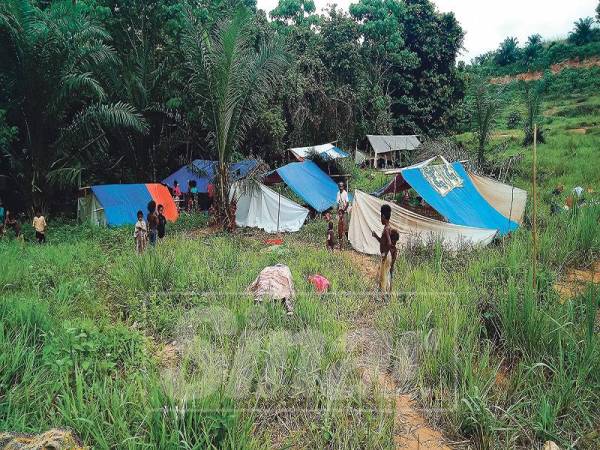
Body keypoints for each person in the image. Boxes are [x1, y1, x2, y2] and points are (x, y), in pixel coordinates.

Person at [372, 204, 393, 294]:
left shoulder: (386, 229)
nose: (380, 219)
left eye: (381, 217)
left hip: (386, 255)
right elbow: (383, 242)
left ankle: (383, 296)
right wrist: (376, 236)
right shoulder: (387, 228)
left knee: (383, 276)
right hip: (387, 255)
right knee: (384, 275)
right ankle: (386, 294)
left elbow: (389, 243)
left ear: (383, 216)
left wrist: (384, 254)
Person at [336, 182, 349, 249]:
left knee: (345, 228)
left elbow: (347, 203)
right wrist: (337, 212)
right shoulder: (338, 193)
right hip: (340, 212)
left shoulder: (345, 193)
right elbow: (337, 203)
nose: (341, 187)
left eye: (342, 186)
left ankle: (348, 241)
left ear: (343, 187)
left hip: (344, 212)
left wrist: (343, 211)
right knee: (339, 228)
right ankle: (341, 245)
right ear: (338, 187)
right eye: (339, 186)